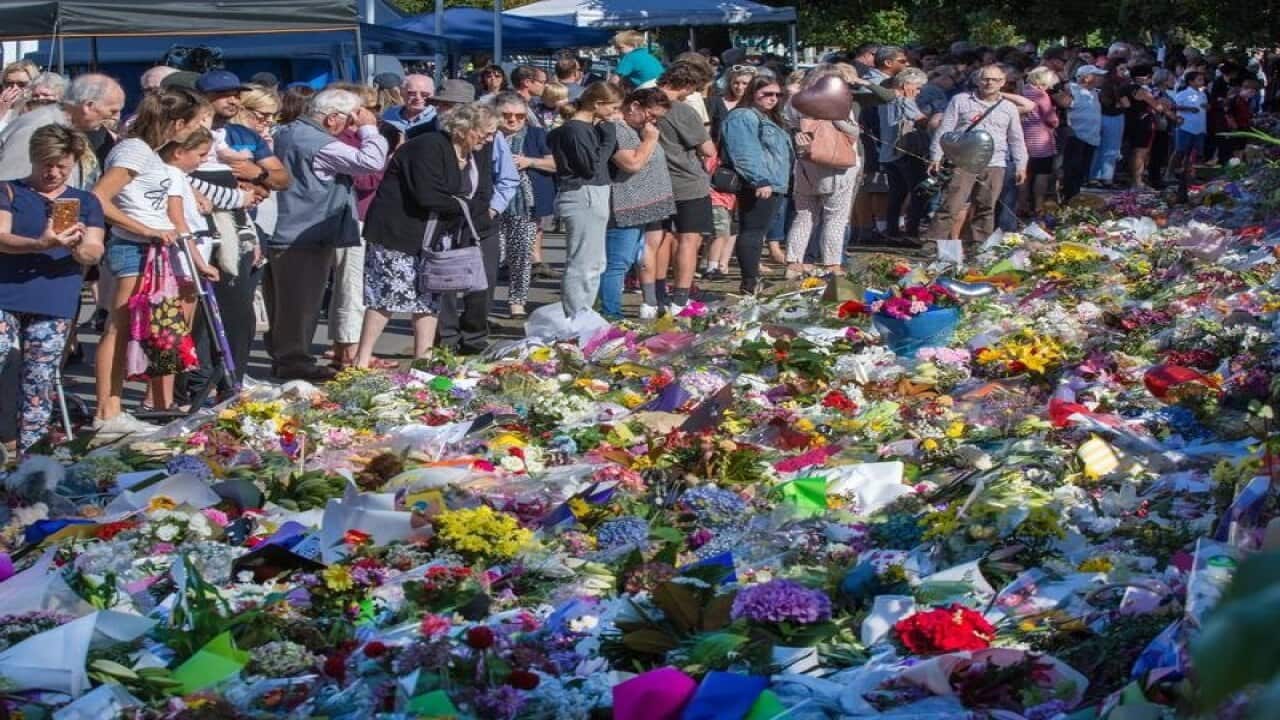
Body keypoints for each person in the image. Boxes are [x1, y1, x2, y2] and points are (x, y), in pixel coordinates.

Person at [92, 87, 211, 434]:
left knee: (145, 327)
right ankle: (107, 409)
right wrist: (145, 229)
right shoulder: (134, 151)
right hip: (133, 247)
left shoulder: (149, 152)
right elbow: (100, 198)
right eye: (192, 122)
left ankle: (116, 408)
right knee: (119, 326)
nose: (194, 129)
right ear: (177, 123)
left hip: (154, 248)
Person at [356, 103, 497, 367]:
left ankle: (424, 361)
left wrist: (471, 206)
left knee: (429, 298)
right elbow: (429, 195)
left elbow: (478, 192)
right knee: (386, 296)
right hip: (398, 233)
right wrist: (471, 207)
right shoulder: (427, 146)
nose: (489, 138)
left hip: (434, 236)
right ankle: (361, 359)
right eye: (485, 132)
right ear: (465, 128)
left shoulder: (473, 153)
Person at [264, 88, 387, 381]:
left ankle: (286, 357)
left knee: (283, 303)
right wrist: (370, 128)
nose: (351, 126)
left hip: (284, 228)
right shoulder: (318, 143)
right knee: (301, 303)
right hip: (304, 233)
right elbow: (371, 161)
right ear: (332, 118)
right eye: (349, 120)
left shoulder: (287, 132)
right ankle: (294, 361)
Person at [0, 125, 105, 454]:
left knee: (39, 379)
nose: (54, 172)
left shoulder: (85, 201)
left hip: (55, 298)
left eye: (62, 165)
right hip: (6, 294)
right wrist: (39, 243)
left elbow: (94, 249)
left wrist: (78, 247)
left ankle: (32, 457)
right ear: (33, 158)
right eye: (47, 164)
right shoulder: (9, 191)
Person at [432, 83, 519, 355]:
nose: (445, 110)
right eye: (443, 104)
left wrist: (493, 209)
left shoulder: (491, 139)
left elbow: (508, 177)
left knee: (482, 282)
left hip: (481, 219)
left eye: (452, 105)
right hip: (443, 221)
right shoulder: (426, 136)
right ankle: (444, 338)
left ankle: (473, 338)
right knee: (441, 281)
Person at [926, 65, 1027, 254]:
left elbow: (1016, 138)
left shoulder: (1009, 107)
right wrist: (936, 156)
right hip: (963, 160)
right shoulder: (960, 101)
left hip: (995, 162)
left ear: (1003, 83)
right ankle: (933, 241)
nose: (989, 83)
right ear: (977, 80)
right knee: (951, 203)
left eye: (995, 80)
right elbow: (945, 130)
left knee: (986, 205)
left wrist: (1021, 165)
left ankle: (978, 243)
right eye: (986, 79)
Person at [548, 82, 621, 316]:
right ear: (598, 104)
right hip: (584, 193)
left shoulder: (583, 128)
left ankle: (583, 313)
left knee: (594, 262)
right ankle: (576, 316)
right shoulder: (576, 129)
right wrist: (609, 139)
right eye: (612, 107)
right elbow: (590, 167)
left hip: (592, 192)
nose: (613, 113)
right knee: (583, 263)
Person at [601, 88, 674, 320]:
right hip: (626, 206)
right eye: (651, 114)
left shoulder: (638, 129)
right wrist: (651, 140)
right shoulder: (617, 130)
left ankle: (626, 308)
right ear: (633, 106)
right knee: (618, 263)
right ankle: (611, 313)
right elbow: (631, 164)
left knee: (638, 258)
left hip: (647, 207)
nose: (653, 121)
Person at [722, 76, 793, 296]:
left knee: (759, 231)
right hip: (759, 183)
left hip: (775, 182)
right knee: (752, 231)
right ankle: (749, 281)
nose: (773, 99)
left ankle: (753, 278)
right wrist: (758, 179)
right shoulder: (744, 116)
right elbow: (744, 151)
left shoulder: (770, 118)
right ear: (753, 93)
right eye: (767, 94)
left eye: (777, 95)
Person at [655, 64, 716, 310]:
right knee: (689, 239)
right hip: (686, 182)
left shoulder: (642, 103)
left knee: (658, 239)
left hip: (655, 181)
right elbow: (707, 148)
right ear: (688, 85)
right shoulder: (682, 110)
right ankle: (681, 295)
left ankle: (657, 293)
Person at [493, 92, 554, 319]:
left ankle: (517, 301)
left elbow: (556, 163)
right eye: (506, 115)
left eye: (519, 116)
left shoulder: (536, 135)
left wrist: (530, 161)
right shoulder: (487, 135)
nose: (513, 120)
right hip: (493, 205)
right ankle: (484, 302)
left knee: (521, 256)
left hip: (525, 206)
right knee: (493, 257)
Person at [0, 74, 125, 184]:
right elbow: (10, 185)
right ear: (88, 106)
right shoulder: (38, 127)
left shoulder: (71, 127)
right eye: (112, 111)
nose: (114, 117)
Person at [877, 67, 929, 245]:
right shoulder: (902, 100)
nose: (920, 91)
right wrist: (910, 99)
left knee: (896, 193)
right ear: (907, 86)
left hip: (888, 152)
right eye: (918, 87)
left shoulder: (884, 101)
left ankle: (892, 230)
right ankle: (911, 232)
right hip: (906, 152)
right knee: (918, 192)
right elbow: (919, 119)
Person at [1019, 66, 1061, 211]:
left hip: (1023, 136)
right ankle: (1038, 206)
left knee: (1025, 172)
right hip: (1041, 140)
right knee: (1041, 173)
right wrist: (1056, 118)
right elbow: (1051, 119)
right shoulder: (1041, 95)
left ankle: (1022, 205)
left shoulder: (1022, 91)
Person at [1063, 64, 1106, 202]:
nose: (1101, 78)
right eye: (1097, 75)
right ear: (1086, 78)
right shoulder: (1072, 89)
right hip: (1077, 136)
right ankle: (1069, 198)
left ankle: (1076, 197)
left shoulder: (1095, 92)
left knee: (1082, 171)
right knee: (1072, 169)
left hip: (1091, 137)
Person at [1088, 63, 1128, 188]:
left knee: (1099, 148)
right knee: (1111, 149)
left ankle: (1094, 177)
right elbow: (1126, 104)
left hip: (1102, 116)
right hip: (1113, 117)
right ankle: (1106, 178)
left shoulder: (1104, 86)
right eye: (1121, 68)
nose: (1125, 71)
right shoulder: (1117, 85)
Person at [1171, 71, 1209, 189]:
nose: (1202, 81)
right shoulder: (1183, 94)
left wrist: (1207, 107)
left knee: (1195, 152)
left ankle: (1189, 174)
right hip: (1186, 127)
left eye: (1202, 79)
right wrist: (1188, 108)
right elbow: (1173, 106)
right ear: (1191, 82)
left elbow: (1206, 106)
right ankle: (1171, 172)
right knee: (1180, 151)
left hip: (1199, 128)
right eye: (1199, 79)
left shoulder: (1203, 94)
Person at [0, 61, 39, 133]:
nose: (14, 88)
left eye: (22, 84)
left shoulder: (39, 111)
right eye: (9, 84)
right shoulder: (2, 107)